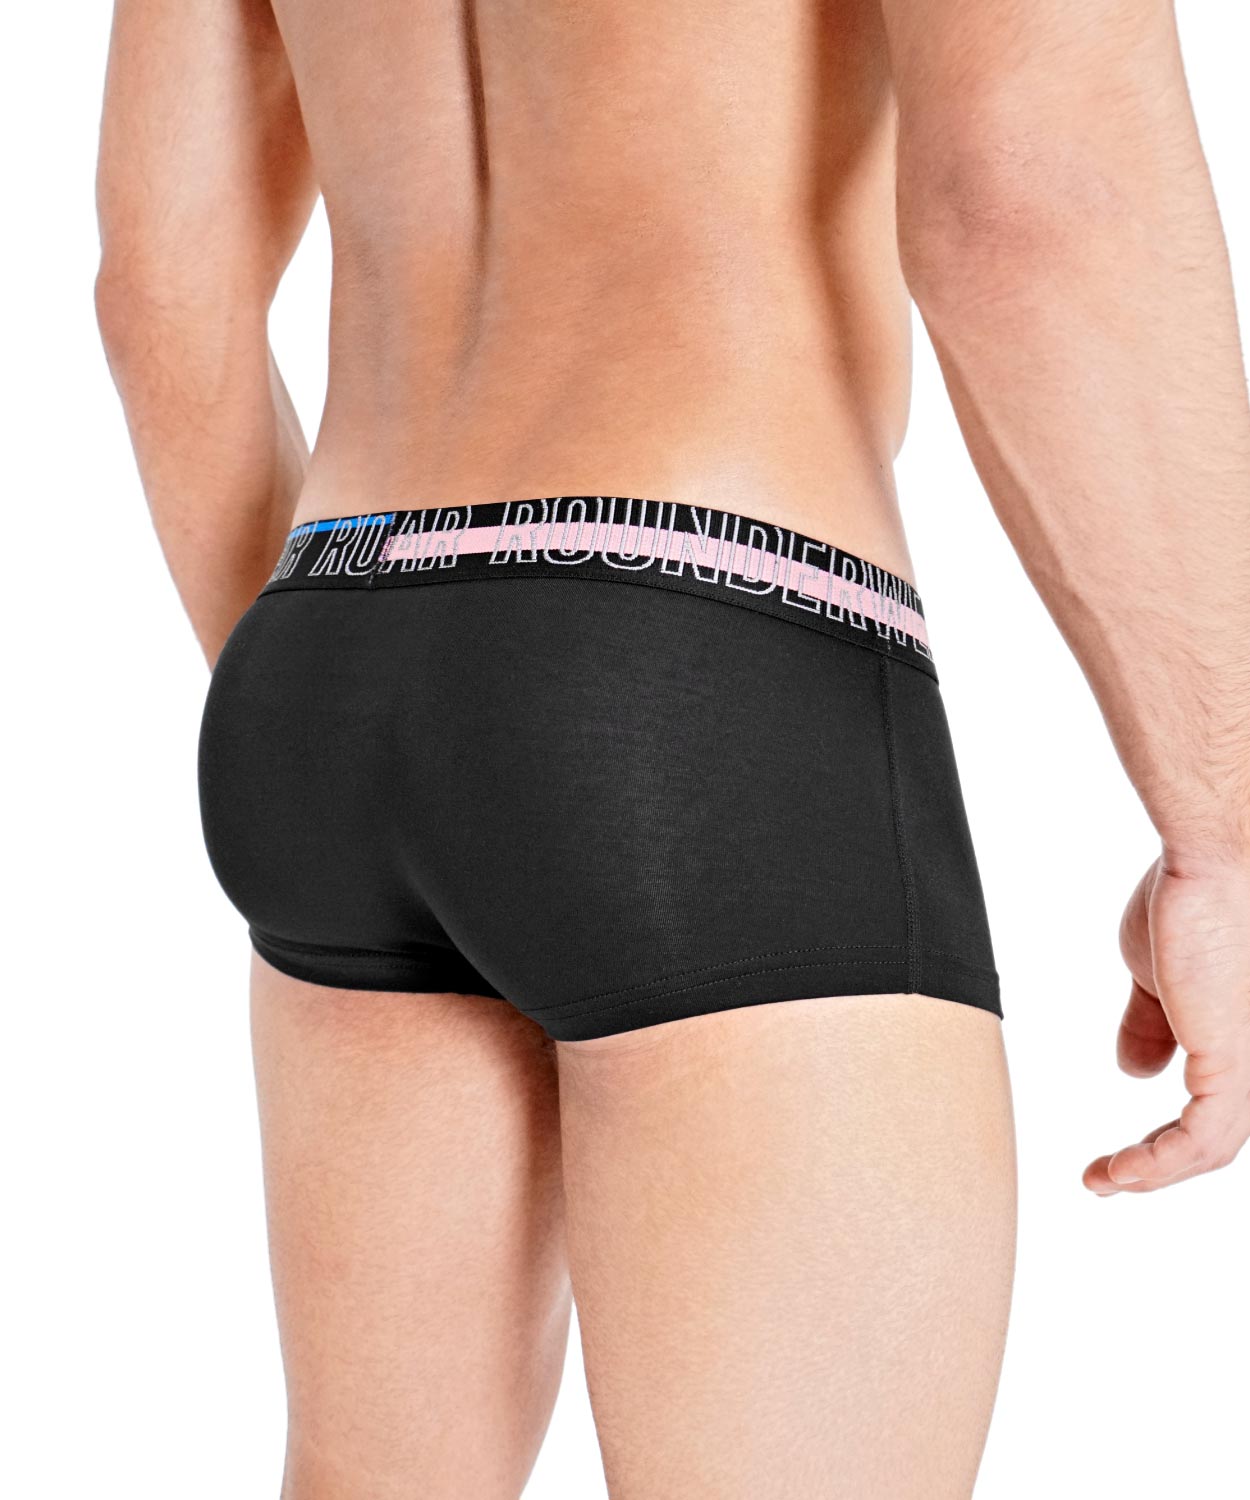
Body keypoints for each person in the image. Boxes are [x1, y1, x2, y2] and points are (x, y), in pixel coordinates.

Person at [95, 0, 1250, 1494]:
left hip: (333, 641)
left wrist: (373, 707)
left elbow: (161, 281)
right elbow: (1033, 188)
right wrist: (1223, 833)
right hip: (695, 657)